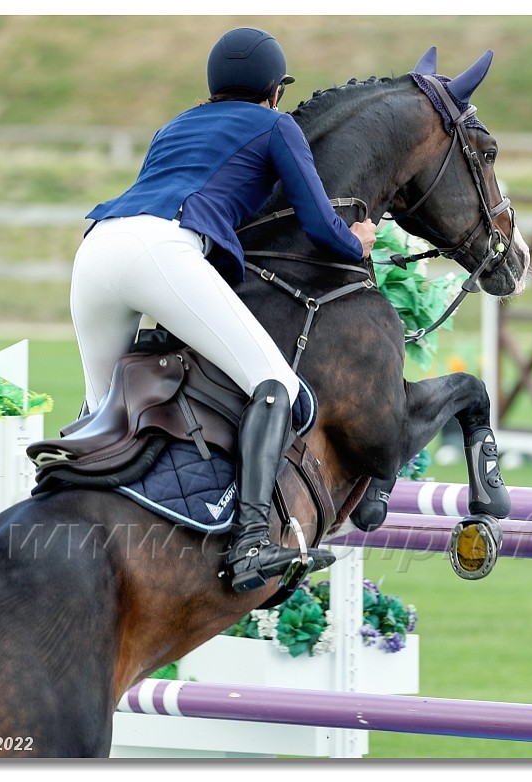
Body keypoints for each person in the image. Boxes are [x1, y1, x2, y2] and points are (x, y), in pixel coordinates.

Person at [70, 27, 376, 593]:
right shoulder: (276, 124)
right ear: (275, 91)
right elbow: (316, 224)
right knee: (274, 384)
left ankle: (68, 536)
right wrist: (357, 240)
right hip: (159, 250)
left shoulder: (175, 125)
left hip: (96, 249)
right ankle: (252, 544)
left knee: (100, 416)